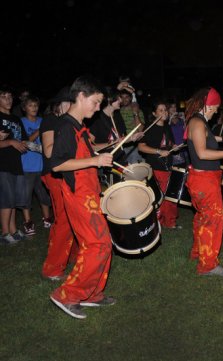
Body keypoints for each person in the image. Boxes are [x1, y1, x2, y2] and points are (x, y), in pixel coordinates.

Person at [49, 76, 115, 319]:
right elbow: (57, 165)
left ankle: (92, 293)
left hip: (89, 194)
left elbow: (85, 153)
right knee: (97, 244)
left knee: (103, 243)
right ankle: (67, 294)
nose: (98, 108)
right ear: (81, 96)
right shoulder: (66, 126)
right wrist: (95, 161)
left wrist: (102, 151)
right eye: (95, 102)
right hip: (78, 196)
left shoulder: (79, 127)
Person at [184, 87, 223, 276]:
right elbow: (202, 153)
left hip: (204, 179)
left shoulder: (199, 121)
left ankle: (197, 252)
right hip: (204, 181)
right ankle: (208, 265)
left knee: (202, 218)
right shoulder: (196, 122)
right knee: (212, 221)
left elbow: (205, 138)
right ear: (208, 105)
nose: (216, 111)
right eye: (215, 107)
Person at [40, 86, 78, 281]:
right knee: (64, 219)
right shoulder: (51, 121)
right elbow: (48, 151)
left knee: (71, 217)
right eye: (69, 102)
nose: (73, 106)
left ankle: (70, 256)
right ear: (59, 104)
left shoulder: (68, 123)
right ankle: (52, 268)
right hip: (54, 175)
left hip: (67, 173)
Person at [138, 100, 179, 229]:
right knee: (160, 196)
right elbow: (141, 147)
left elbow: (169, 143)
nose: (164, 112)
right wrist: (158, 151)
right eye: (160, 110)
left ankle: (170, 221)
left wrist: (174, 146)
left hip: (168, 165)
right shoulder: (149, 127)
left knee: (170, 195)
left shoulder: (167, 127)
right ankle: (159, 222)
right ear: (154, 113)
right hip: (156, 166)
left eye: (165, 110)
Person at [20, 94, 52, 236]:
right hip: (26, 166)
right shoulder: (21, 122)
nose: (34, 108)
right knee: (26, 196)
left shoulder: (42, 120)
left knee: (43, 194)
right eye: (30, 105)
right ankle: (28, 222)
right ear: (24, 108)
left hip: (42, 165)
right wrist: (39, 130)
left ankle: (47, 218)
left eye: (36, 105)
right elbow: (24, 141)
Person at [0, 85, 28, 245]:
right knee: (5, 199)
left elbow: (23, 140)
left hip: (16, 163)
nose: (8, 100)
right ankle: (4, 233)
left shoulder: (16, 119)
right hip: (2, 164)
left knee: (13, 199)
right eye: (4, 97)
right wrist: (10, 141)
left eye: (10, 97)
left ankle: (13, 229)